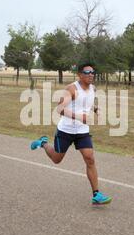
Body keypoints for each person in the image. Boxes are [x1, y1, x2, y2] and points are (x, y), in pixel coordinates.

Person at [30, 63, 112, 205]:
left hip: (82, 131)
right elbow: (60, 109)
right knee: (56, 159)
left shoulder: (93, 88)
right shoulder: (71, 89)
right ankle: (43, 143)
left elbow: (86, 103)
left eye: (93, 71)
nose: (91, 74)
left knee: (90, 158)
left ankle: (96, 194)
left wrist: (96, 109)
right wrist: (80, 117)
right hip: (66, 130)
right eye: (87, 72)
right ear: (80, 74)